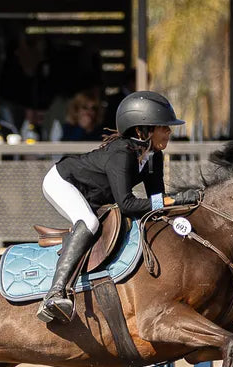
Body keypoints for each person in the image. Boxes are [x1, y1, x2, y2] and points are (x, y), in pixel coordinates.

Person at [35, 91, 199, 323]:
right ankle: (55, 293)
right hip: (62, 182)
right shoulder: (122, 154)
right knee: (89, 222)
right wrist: (174, 200)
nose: (169, 132)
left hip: (94, 193)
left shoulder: (154, 156)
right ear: (144, 129)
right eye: (164, 127)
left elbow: (156, 200)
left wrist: (179, 207)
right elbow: (128, 203)